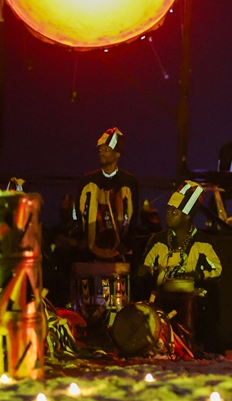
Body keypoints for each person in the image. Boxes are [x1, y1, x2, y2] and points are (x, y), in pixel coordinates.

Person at [139, 180, 223, 346]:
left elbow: (218, 270)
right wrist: (144, 271)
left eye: (174, 212)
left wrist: (197, 275)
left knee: (201, 301)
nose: (168, 214)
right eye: (168, 210)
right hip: (161, 298)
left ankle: (195, 343)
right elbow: (145, 267)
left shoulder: (202, 242)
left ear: (186, 217)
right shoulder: (158, 240)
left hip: (192, 301)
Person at [77, 128, 141, 262]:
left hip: (119, 251)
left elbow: (133, 215)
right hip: (91, 251)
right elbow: (79, 212)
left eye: (106, 150)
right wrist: (82, 238)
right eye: (100, 150)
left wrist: (128, 241)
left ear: (117, 154)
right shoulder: (87, 181)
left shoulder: (129, 182)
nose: (102, 153)